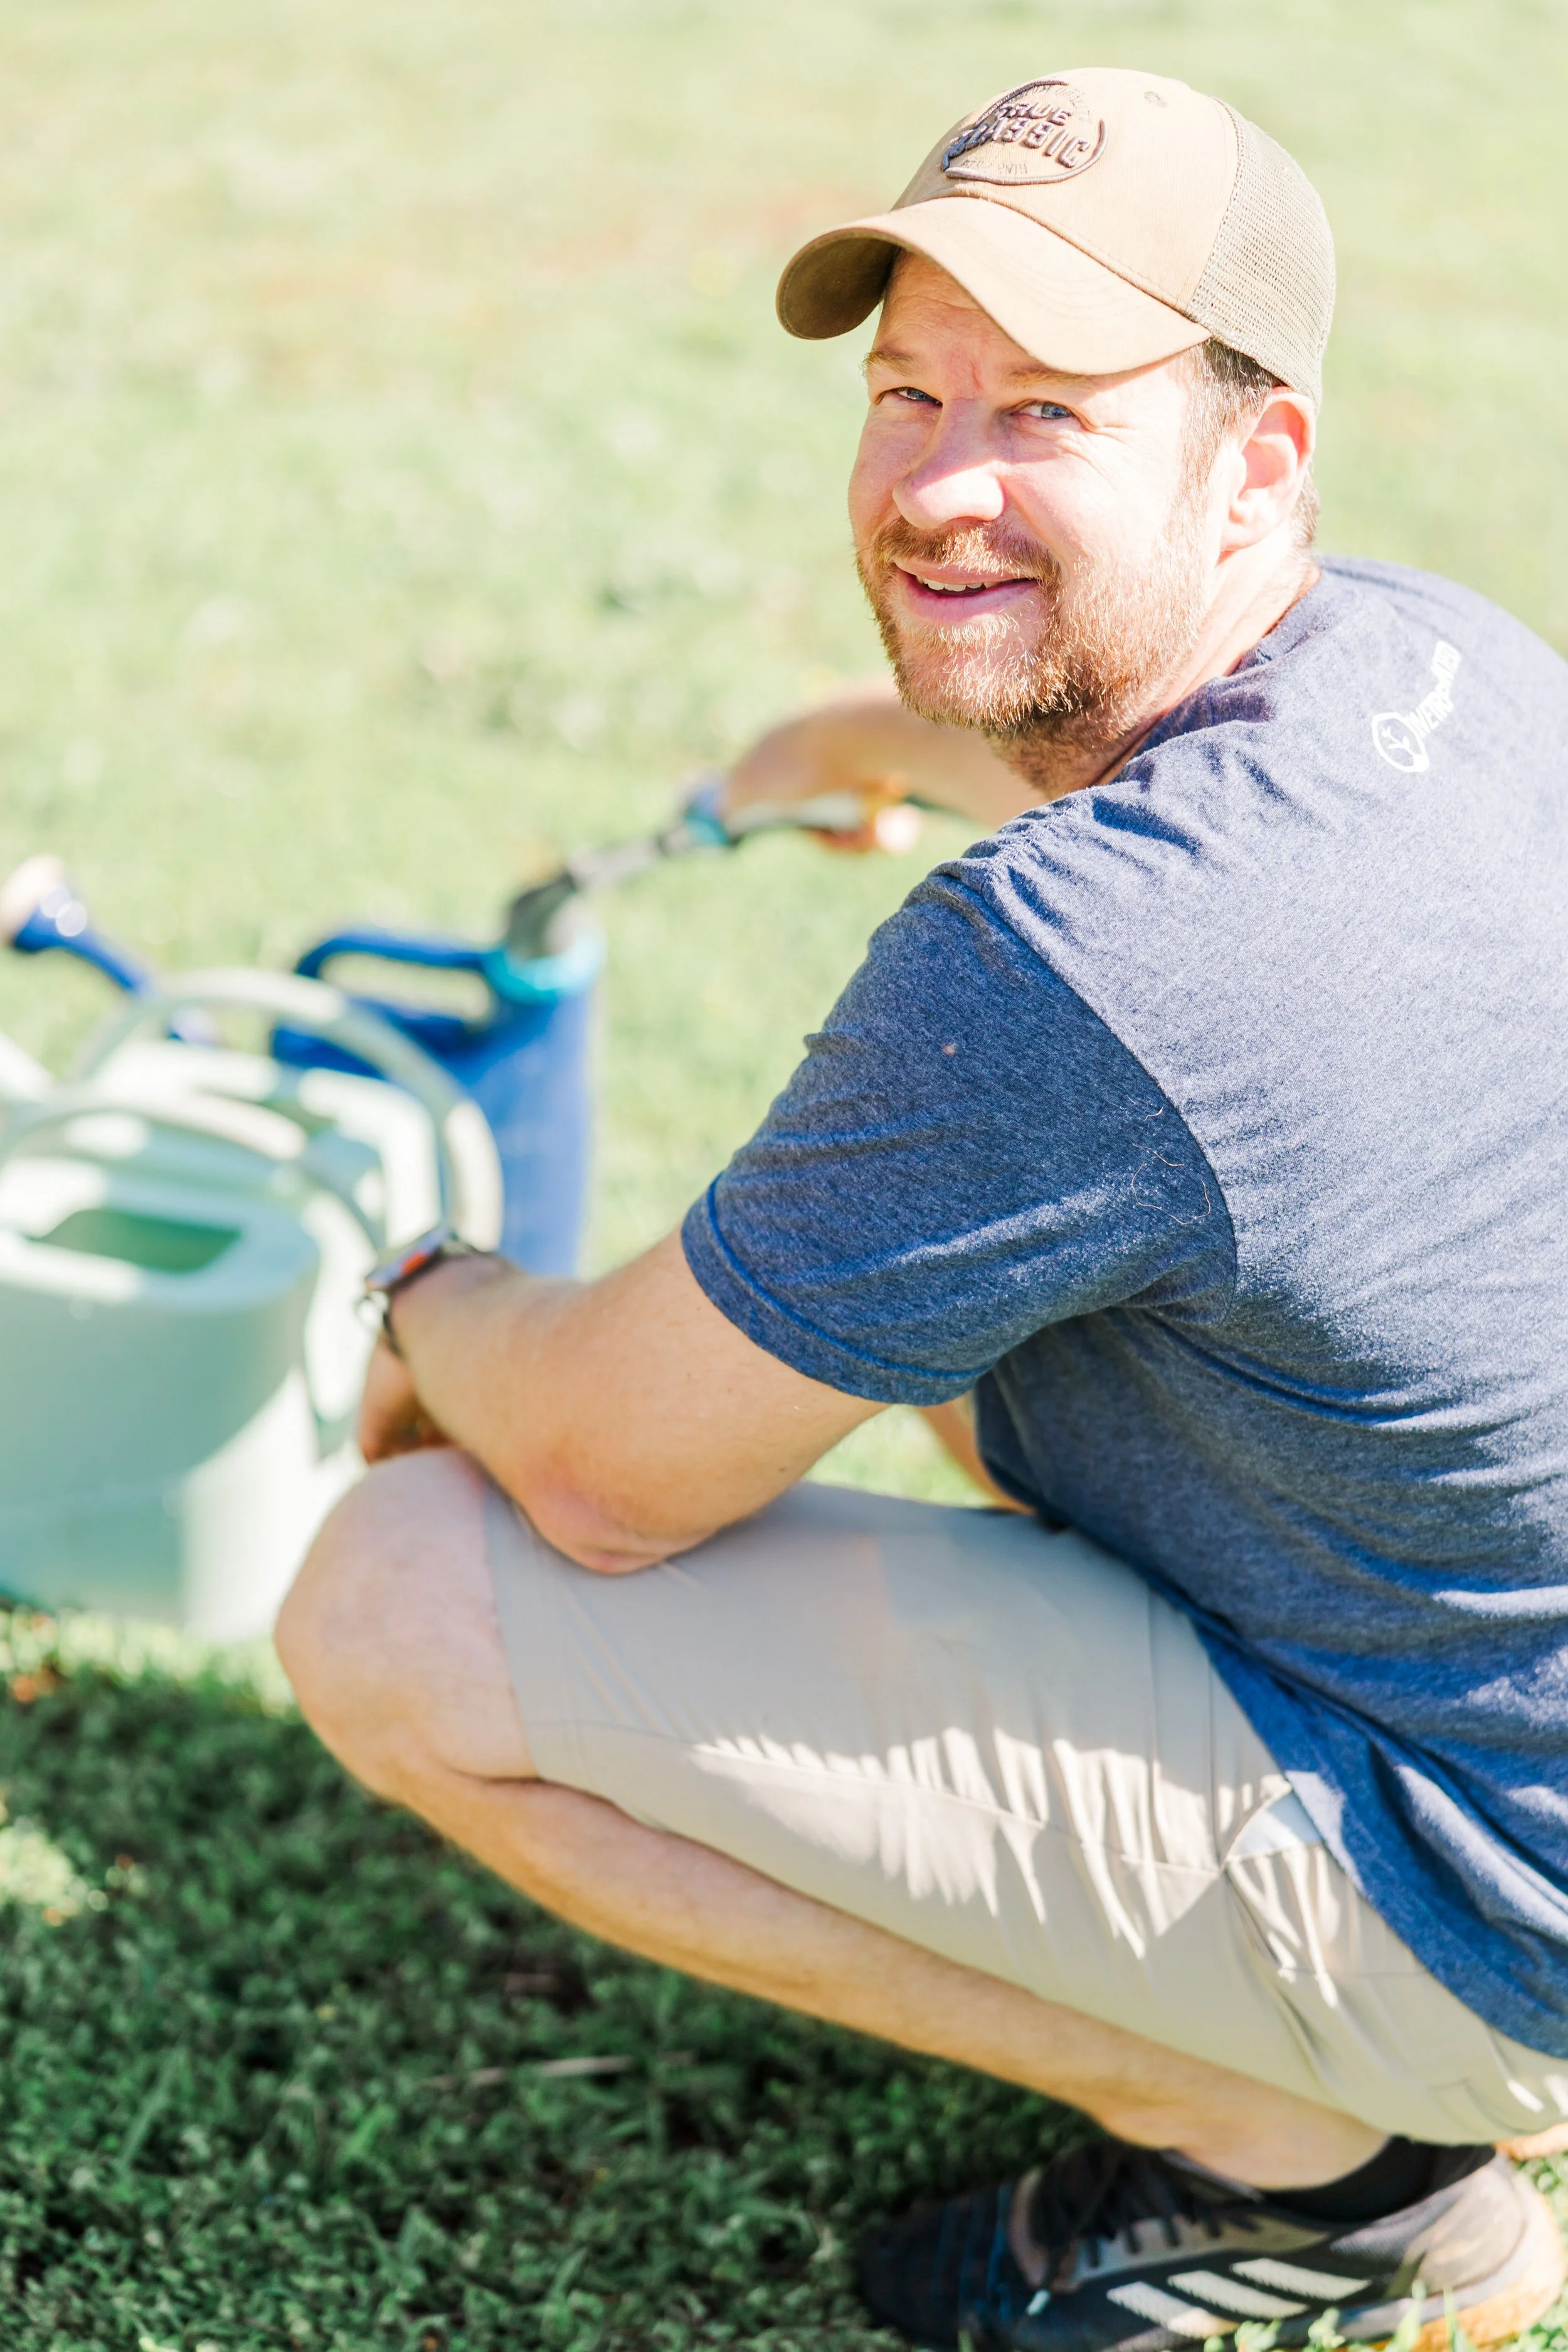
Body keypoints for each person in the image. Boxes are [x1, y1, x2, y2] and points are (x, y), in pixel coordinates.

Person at [277, 65, 1568, 2352]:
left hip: (1489, 1888)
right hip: (1494, 1680)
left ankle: (1346, 2181)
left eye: (1048, 411)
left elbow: (594, 1467)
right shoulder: (1435, 656)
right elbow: (1114, 749)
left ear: (1252, 458)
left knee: (396, 1597)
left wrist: (426, 1290)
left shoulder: (1081, 967)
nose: (937, 481)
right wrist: (841, 745)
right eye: (907, 390)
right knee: (972, 1360)